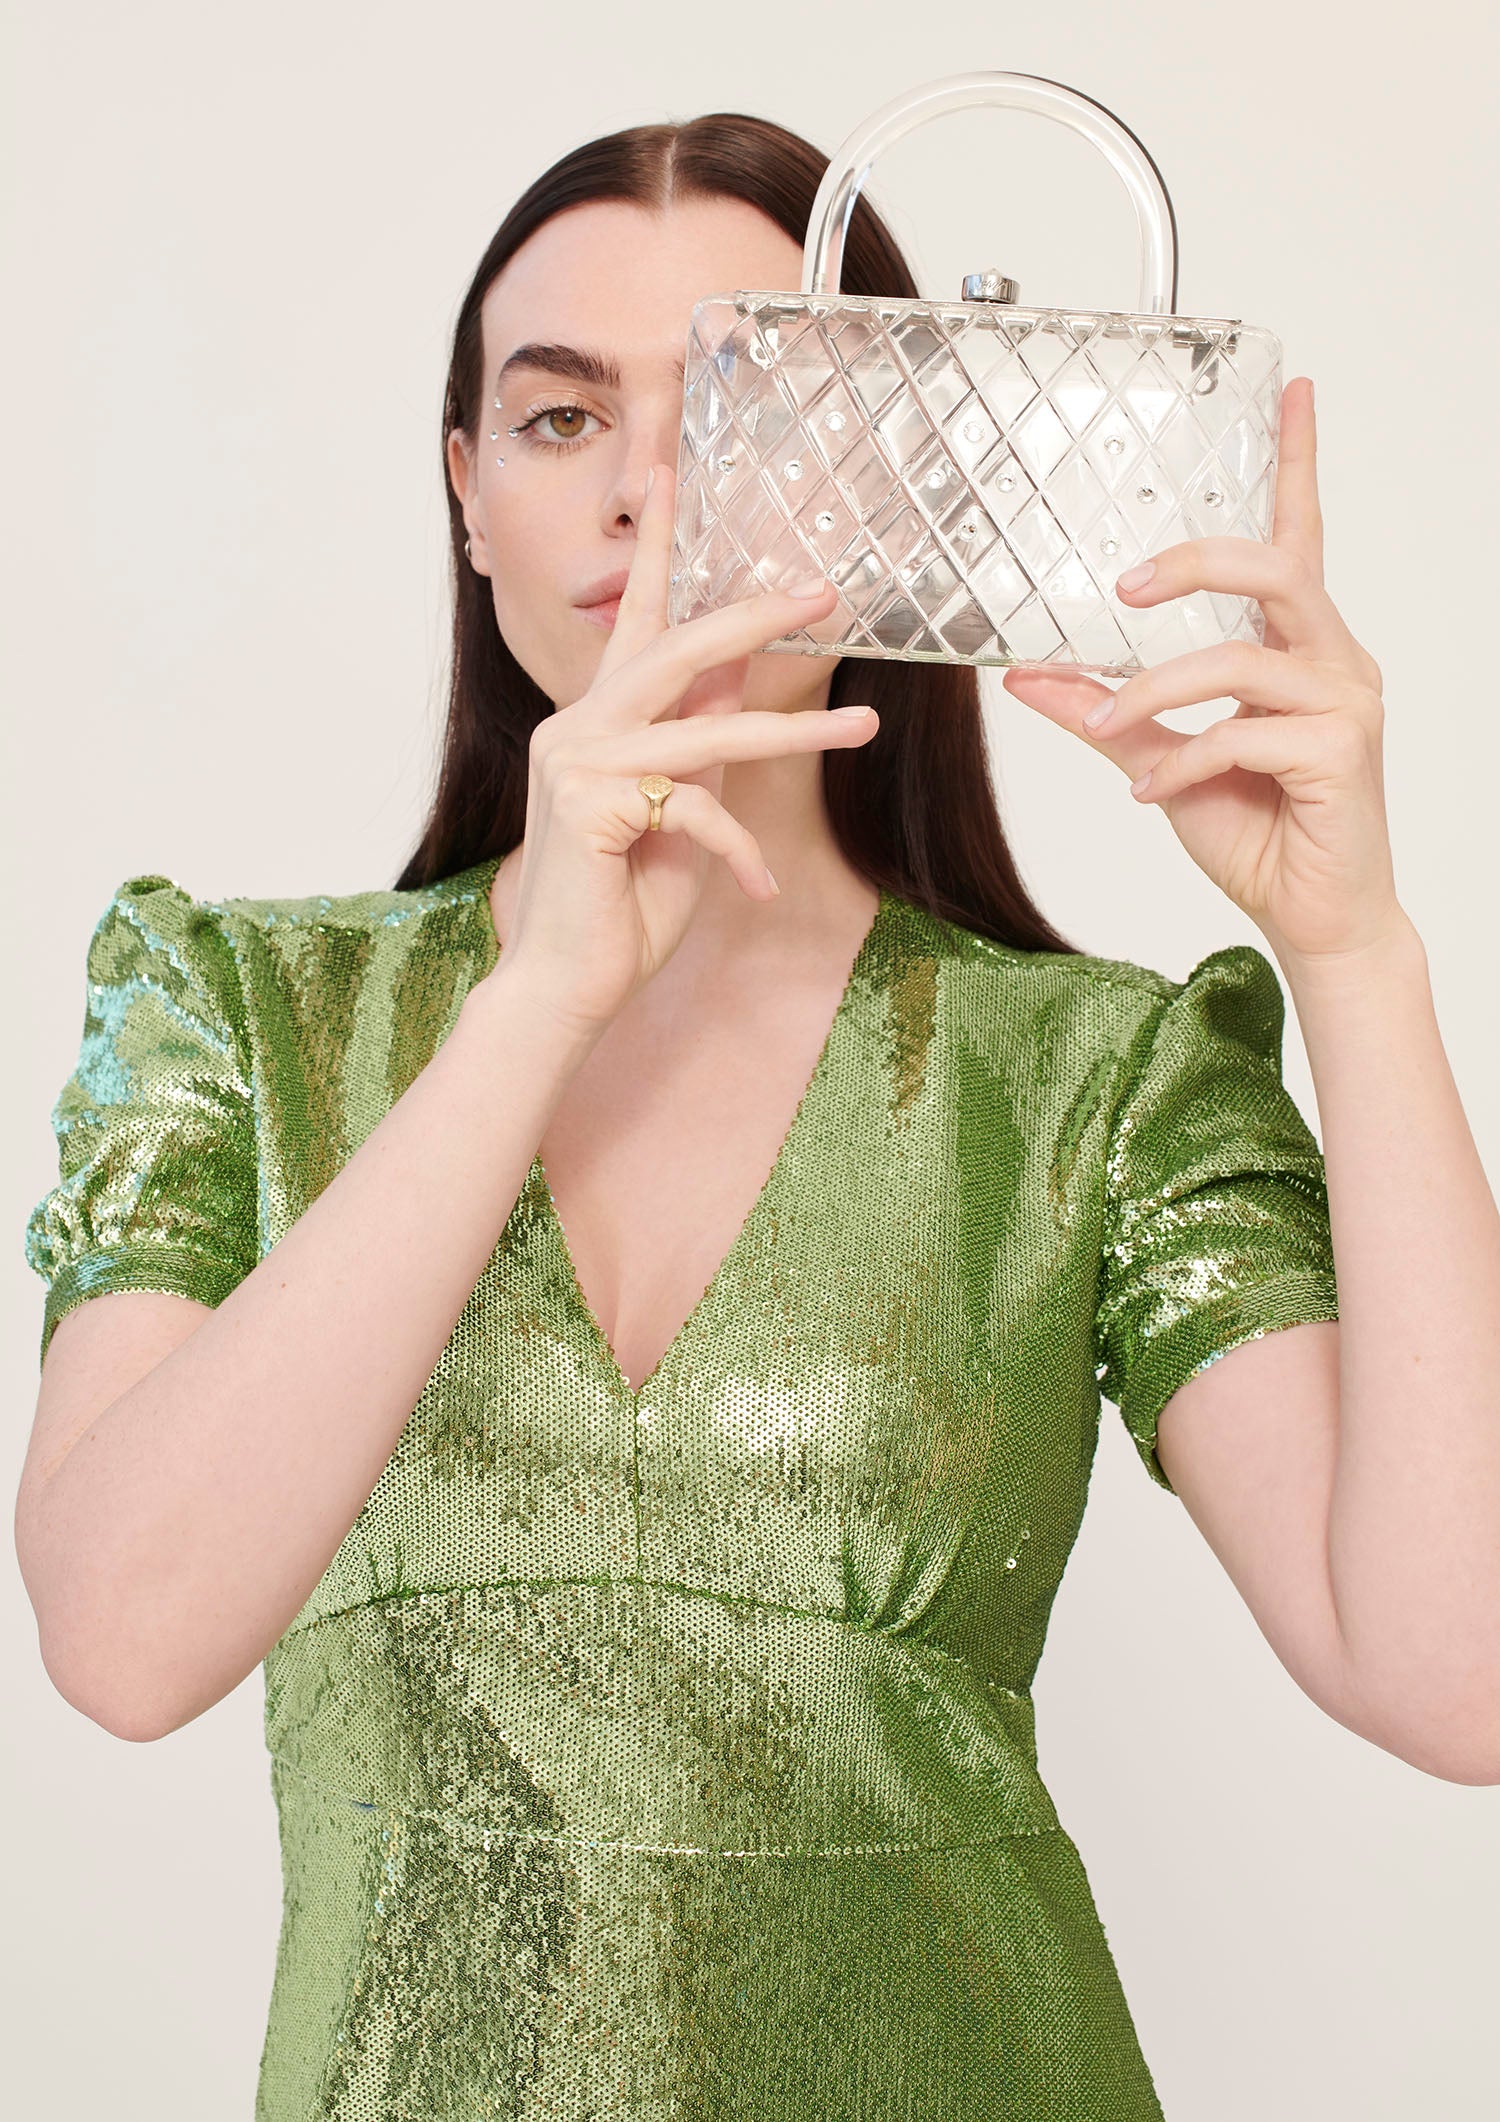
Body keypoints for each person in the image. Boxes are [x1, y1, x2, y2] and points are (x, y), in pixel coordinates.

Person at [16, 110, 1500, 2122]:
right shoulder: (232, 1004)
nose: (646, 490)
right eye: (557, 420)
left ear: (908, 476)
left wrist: (1360, 956)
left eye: (747, 403)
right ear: (465, 493)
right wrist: (539, 995)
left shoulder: (1094, 1075)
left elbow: (1457, 1669)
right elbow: (120, 1636)